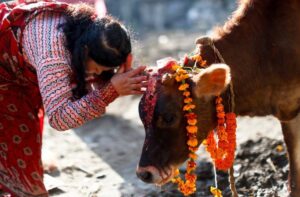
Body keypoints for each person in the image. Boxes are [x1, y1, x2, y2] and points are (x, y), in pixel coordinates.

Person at [0, 0, 147, 196]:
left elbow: (90, 76)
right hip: (5, 77)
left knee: (23, 143)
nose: (96, 74)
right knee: (17, 147)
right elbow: (60, 118)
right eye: (95, 69)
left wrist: (119, 75)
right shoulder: (54, 55)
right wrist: (110, 91)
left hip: (18, 69)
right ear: (84, 51)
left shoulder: (90, 28)